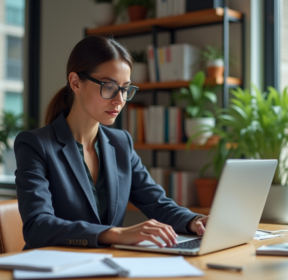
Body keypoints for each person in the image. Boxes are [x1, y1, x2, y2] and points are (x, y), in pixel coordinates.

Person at [14, 35, 208, 250]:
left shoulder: (121, 143)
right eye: (109, 87)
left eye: (125, 88)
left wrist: (194, 221)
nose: (120, 100)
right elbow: (37, 226)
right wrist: (115, 234)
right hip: (54, 268)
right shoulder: (35, 145)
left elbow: (157, 203)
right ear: (76, 82)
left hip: (108, 265)